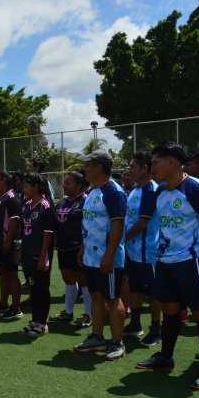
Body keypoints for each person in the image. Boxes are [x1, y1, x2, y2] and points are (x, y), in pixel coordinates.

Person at [135, 142, 199, 390]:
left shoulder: (197, 189)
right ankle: (166, 357)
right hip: (166, 261)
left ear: (172, 162)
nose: (152, 167)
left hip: (193, 260)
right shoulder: (160, 190)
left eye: (156, 162)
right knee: (170, 309)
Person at [73, 150, 128, 360]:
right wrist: (82, 249)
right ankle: (97, 336)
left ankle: (117, 342)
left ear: (99, 167)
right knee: (96, 296)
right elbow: (88, 224)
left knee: (113, 299)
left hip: (108, 259)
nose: (85, 169)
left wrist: (109, 255)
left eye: (88, 165)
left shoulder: (114, 191)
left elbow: (118, 224)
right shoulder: (94, 191)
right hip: (90, 257)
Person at [122, 152, 163, 346]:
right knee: (136, 287)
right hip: (133, 251)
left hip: (149, 252)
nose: (129, 170)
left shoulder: (151, 190)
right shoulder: (136, 190)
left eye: (133, 166)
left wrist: (119, 239)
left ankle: (156, 329)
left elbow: (142, 224)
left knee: (154, 292)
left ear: (144, 168)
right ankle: (135, 323)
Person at [50, 171, 92, 328]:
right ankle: (68, 312)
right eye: (64, 183)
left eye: (69, 183)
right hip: (63, 247)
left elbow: (89, 226)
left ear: (80, 186)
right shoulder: (62, 201)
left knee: (84, 281)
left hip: (79, 248)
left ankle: (88, 315)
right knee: (68, 279)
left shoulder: (86, 201)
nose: (64, 186)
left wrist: (83, 246)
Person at [17, 173, 55, 336]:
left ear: (36, 187)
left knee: (41, 288)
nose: (24, 189)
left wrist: (42, 256)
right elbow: (24, 232)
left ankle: (42, 324)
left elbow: (48, 234)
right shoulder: (26, 205)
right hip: (27, 253)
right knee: (33, 288)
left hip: (39, 255)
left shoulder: (45, 206)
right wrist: (20, 251)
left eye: (27, 186)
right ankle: (34, 321)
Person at [0, 171, 23, 320]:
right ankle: (3, 303)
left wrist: (8, 241)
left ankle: (16, 308)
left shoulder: (12, 198)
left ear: (4, 181)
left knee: (12, 274)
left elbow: (14, 221)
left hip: (6, 243)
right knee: (3, 273)